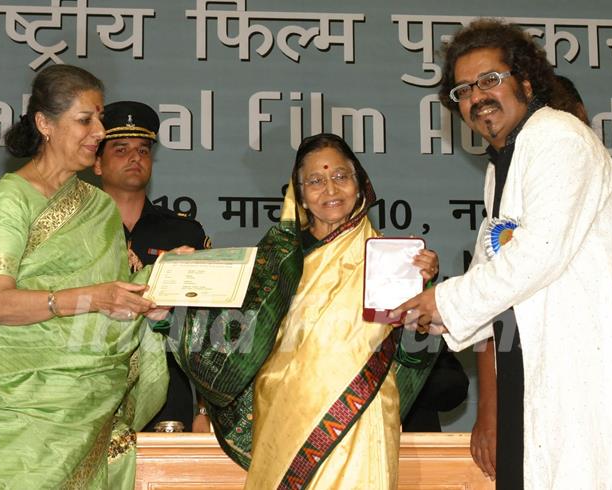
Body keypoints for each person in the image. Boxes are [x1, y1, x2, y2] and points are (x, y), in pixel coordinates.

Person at [393, 19, 612, 489]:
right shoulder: (503, 164)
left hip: (594, 375)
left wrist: (445, 302)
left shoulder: (557, 136)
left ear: (525, 82)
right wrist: (436, 311)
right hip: (541, 368)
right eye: (463, 89)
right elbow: (499, 265)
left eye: (490, 80)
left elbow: (540, 251)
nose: (476, 96)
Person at [178, 133, 440, 489]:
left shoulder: (394, 260)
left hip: (361, 416)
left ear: (360, 183)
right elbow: (233, 336)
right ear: (298, 194)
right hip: (284, 416)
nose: (330, 189)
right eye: (315, 181)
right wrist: (184, 283)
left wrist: (422, 295)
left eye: (340, 177)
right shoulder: (278, 256)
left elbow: (413, 353)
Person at [0, 65, 169, 489]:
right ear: (45, 124)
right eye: (85, 120)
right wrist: (95, 297)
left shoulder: (100, 207)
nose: (99, 132)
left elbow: (113, 300)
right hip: (16, 418)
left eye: (100, 118)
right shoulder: (10, 199)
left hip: (89, 412)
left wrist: (160, 284)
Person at [470, 74, 612, 481]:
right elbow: (495, 317)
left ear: (581, 121)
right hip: (530, 391)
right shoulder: (507, 207)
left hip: (610, 386)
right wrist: (491, 411)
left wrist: (589, 285)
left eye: (559, 121)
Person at [94, 100, 211, 433]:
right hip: (90, 391)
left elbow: (203, 324)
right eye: (121, 149)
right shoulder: (76, 232)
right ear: (97, 163)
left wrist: (204, 408)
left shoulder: (184, 232)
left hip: (168, 399)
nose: (135, 158)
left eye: (143, 150)